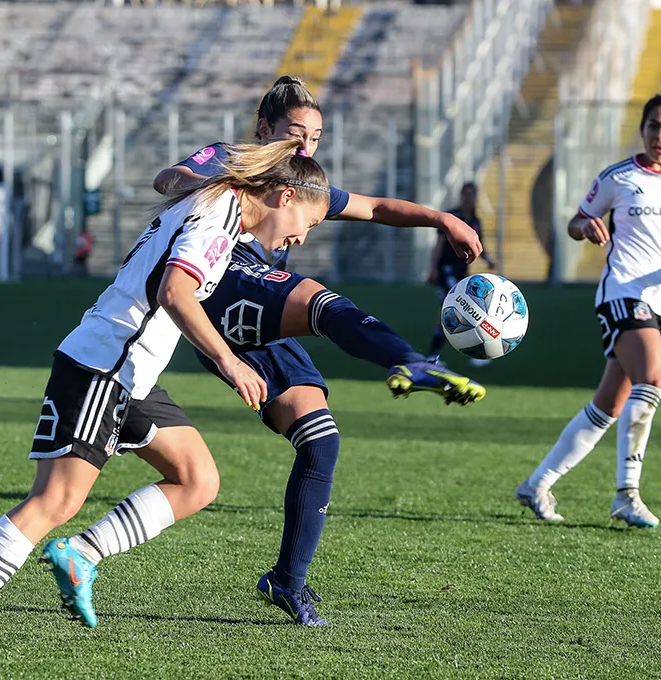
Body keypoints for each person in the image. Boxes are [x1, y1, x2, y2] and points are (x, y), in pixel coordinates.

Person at [0, 140, 330, 657]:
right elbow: (175, 293)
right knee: (57, 499)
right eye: (308, 223)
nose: (301, 236)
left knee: (196, 479)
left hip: (132, 373)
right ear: (284, 196)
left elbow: (174, 190)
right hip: (105, 366)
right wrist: (229, 361)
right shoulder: (219, 220)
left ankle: (83, 554)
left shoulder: (218, 202)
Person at [150, 76, 486, 625]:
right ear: (265, 130)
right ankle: (410, 360)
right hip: (219, 290)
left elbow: (375, 207)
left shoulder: (298, 184)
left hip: (259, 315)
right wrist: (203, 177)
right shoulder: (233, 161)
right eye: (296, 134)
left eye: (316, 137)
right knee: (321, 305)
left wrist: (442, 219)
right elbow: (167, 177)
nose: (306, 148)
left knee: (321, 441)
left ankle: (287, 582)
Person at [514, 93, 661, 528]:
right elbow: (576, 221)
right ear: (643, 129)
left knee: (611, 403)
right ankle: (626, 493)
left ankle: (536, 484)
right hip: (622, 293)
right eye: (653, 125)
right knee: (654, 378)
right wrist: (584, 226)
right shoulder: (619, 176)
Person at [426, 181, 496, 364]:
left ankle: (438, 354)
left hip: (461, 272)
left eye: (471, 194)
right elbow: (439, 245)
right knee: (457, 309)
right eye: (465, 194)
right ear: (461, 196)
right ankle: (434, 355)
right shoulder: (453, 217)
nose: (468, 198)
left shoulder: (476, 221)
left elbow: (479, 245)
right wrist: (433, 268)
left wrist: (487, 259)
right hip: (446, 270)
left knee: (455, 310)